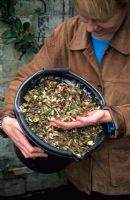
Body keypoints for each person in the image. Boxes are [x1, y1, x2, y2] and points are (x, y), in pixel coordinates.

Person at [1, 0, 130, 199]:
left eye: (100, 21)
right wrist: (8, 117)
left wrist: (113, 117)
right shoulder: (68, 32)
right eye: (84, 17)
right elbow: (26, 78)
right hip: (77, 173)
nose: (89, 28)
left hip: (123, 179)